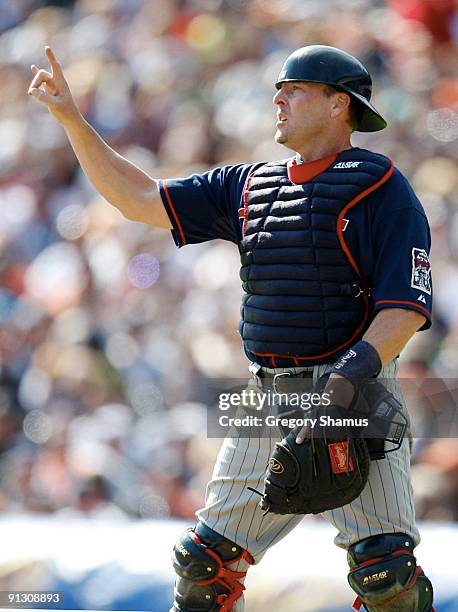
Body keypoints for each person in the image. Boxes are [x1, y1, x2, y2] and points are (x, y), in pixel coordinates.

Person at [28, 44, 435, 611]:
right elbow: (139, 198)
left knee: (386, 574)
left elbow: (405, 307)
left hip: (354, 392)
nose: (278, 98)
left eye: (294, 88)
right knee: (204, 569)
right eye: (279, 88)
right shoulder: (248, 185)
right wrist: (71, 118)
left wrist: (344, 384)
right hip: (268, 394)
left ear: (340, 104)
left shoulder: (383, 188)